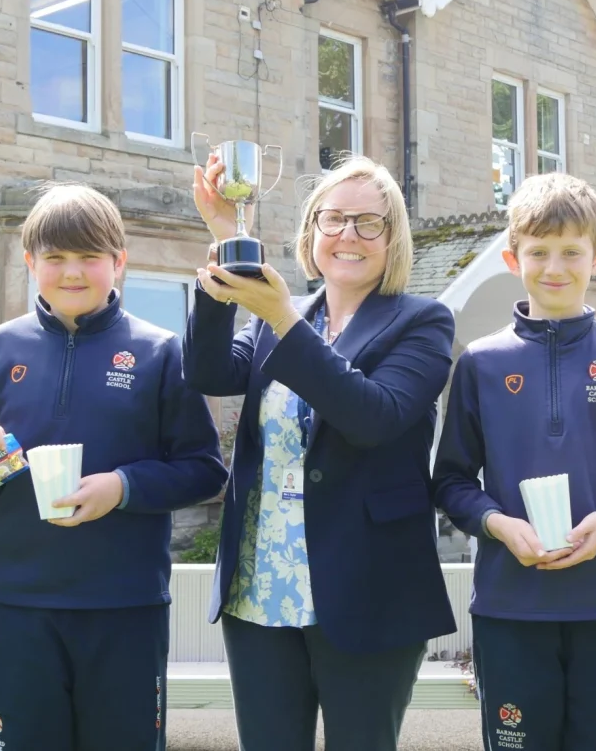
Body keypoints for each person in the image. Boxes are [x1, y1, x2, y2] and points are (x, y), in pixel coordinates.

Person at [184, 154, 457, 751]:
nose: (348, 236)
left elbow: (372, 417)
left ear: (393, 239)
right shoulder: (282, 318)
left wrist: (281, 317)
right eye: (332, 220)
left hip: (368, 588)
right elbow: (206, 370)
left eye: (368, 223)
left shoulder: (422, 322)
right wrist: (229, 245)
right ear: (311, 233)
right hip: (261, 584)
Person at [0, 183, 226, 751]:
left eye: (89, 257)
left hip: (124, 604)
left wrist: (123, 486)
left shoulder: (161, 352)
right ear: (31, 263)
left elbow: (204, 469)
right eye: (55, 258)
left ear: (119, 262)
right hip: (19, 603)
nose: (73, 272)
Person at [433, 173, 596, 750]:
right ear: (512, 258)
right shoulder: (479, 363)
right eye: (539, 252)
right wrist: (499, 524)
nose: (556, 267)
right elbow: (450, 481)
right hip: (509, 608)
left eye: (571, 251)